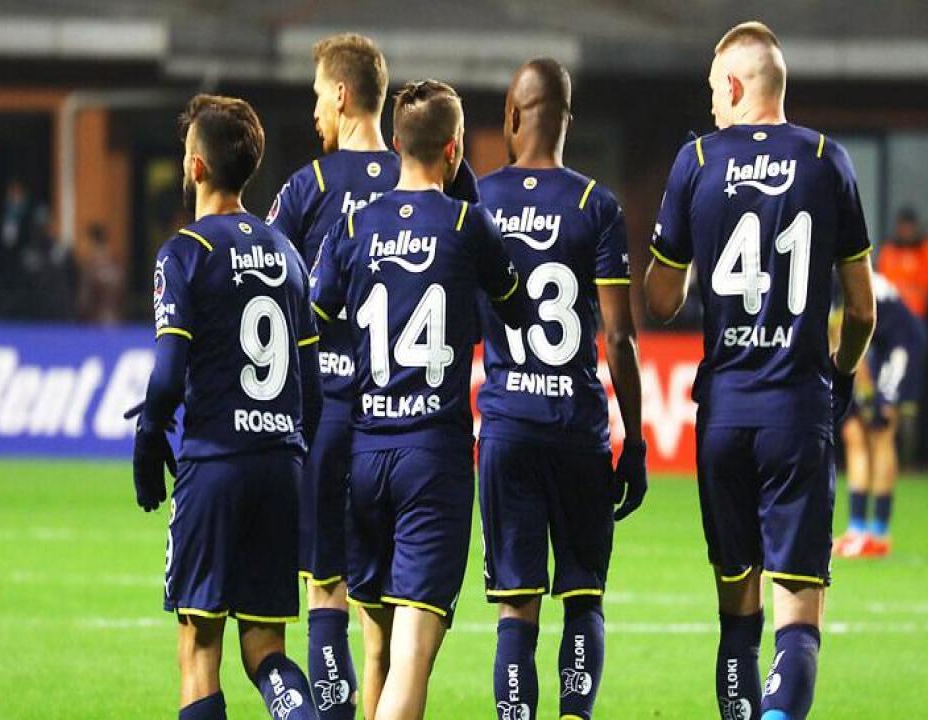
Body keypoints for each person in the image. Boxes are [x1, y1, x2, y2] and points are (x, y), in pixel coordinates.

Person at [643, 22, 876, 720]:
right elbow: (862, 309)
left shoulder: (697, 160)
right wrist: (839, 377)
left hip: (724, 414)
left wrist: (684, 250)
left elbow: (661, 299)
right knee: (798, 616)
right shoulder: (828, 160)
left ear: (737, 85)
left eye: (715, 90)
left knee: (737, 615)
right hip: (797, 409)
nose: (712, 103)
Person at [265, 35, 479, 718]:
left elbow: (274, 287)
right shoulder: (420, 166)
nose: (314, 114)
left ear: (340, 94)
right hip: (400, 416)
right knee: (388, 619)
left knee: (328, 587)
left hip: (328, 414)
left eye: (316, 97)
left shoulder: (310, 186)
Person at [310, 79, 527, 720]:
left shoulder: (353, 225)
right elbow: (516, 310)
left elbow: (315, 316)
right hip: (432, 460)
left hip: (364, 456)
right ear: (454, 149)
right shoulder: (466, 223)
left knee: (377, 649)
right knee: (410, 659)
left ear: (397, 143)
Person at [128, 94, 322, 720]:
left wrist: (150, 437)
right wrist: (291, 454)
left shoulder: (184, 252)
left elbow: (168, 374)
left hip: (214, 465)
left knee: (199, 648)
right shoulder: (288, 255)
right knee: (266, 649)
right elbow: (312, 388)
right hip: (280, 465)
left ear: (196, 167)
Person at [475, 58, 647, 720]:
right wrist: (633, 444)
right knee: (583, 598)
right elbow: (619, 337)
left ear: (512, 115)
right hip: (577, 430)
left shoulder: (479, 202)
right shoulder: (595, 206)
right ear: (566, 121)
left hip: (508, 431)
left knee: (516, 609)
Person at [834, 273, 926, 558]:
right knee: (853, 434)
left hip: (900, 343)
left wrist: (865, 393)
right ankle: (857, 529)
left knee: (881, 429)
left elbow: (848, 335)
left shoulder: (833, 280)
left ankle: (878, 533)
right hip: (875, 345)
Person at [876, 207, 928, 320]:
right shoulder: (888, 251)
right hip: (893, 313)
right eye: (903, 228)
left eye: (909, 228)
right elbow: (885, 286)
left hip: (921, 315)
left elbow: (926, 286)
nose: (906, 233)